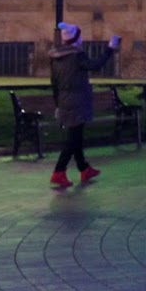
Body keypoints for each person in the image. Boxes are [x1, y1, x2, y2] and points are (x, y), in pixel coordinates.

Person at [48, 22, 119, 189]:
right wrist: (109, 49)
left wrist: (58, 103)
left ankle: (84, 168)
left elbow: (54, 83)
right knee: (73, 138)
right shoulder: (77, 55)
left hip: (65, 99)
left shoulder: (56, 57)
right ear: (76, 38)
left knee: (77, 135)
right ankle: (59, 172)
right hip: (77, 100)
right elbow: (95, 65)